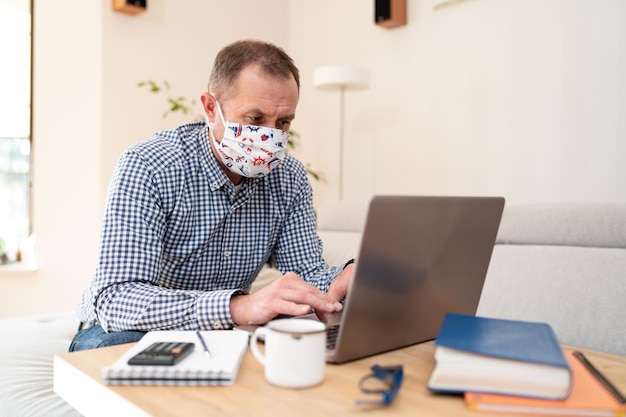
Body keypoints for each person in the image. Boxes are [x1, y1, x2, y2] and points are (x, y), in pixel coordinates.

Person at [69, 39, 355, 352]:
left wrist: (348, 278)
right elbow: (117, 299)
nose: (271, 136)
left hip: (225, 331)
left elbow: (305, 276)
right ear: (210, 108)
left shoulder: (289, 178)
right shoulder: (148, 165)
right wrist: (238, 308)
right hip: (125, 330)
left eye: (283, 122)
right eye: (255, 119)